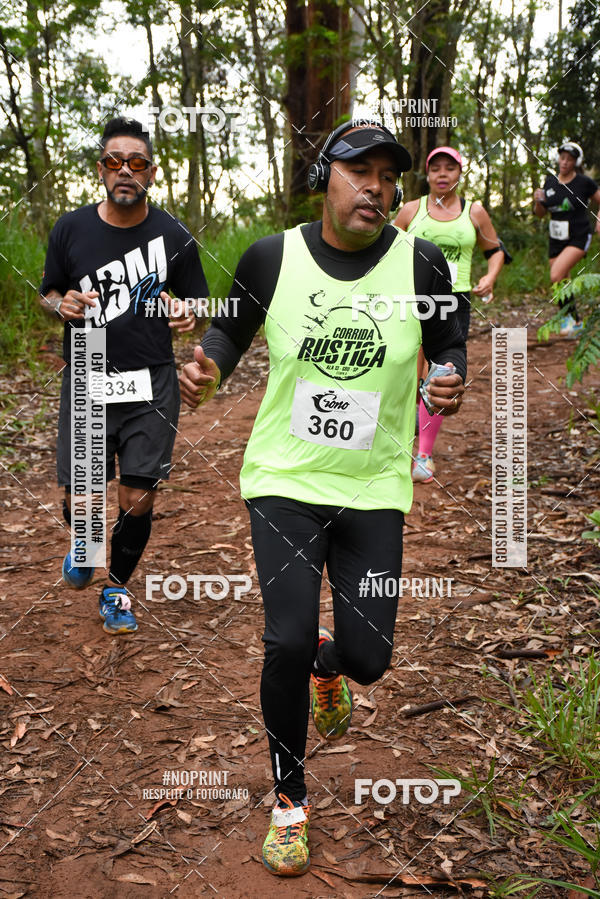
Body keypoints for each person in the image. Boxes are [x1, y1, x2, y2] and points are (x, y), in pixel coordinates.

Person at [180, 120, 467, 877]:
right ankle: (290, 800)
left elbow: (453, 343)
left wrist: (452, 377)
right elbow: (224, 339)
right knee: (286, 635)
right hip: (286, 479)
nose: (375, 186)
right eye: (357, 170)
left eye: (386, 175)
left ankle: (331, 669)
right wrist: (203, 371)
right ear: (324, 177)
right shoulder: (272, 257)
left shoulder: (421, 264)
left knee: (370, 656)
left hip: (374, 485)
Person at [39, 117, 208, 635]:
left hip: (151, 378)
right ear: (101, 170)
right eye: (115, 162)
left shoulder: (174, 233)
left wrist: (187, 313)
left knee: (138, 496)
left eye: (136, 163)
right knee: (82, 500)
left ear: (151, 173)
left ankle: (116, 589)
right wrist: (60, 304)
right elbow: (48, 293)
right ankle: (85, 547)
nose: (125, 171)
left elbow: (198, 301)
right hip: (88, 367)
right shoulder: (70, 228)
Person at [394, 146, 509, 483]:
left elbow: (495, 250)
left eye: (450, 168)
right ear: (427, 175)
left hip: (454, 300)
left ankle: (424, 455)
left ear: (459, 174)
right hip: (409, 297)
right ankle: (398, 443)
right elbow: (384, 246)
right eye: (435, 169)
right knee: (408, 369)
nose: (442, 174)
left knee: (440, 373)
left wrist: (489, 277)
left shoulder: (473, 212)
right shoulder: (411, 210)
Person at [533, 140, 600, 337]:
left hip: (578, 236)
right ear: (558, 159)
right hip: (556, 239)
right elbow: (540, 214)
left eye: (570, 160)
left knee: (556, 275)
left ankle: (573, 319)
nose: (565, 162)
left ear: (575, 162)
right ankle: (572, 319)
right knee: (560, 281)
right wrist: (538, 201)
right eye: (562, 158)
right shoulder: (550, 181)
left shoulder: (584, 183)